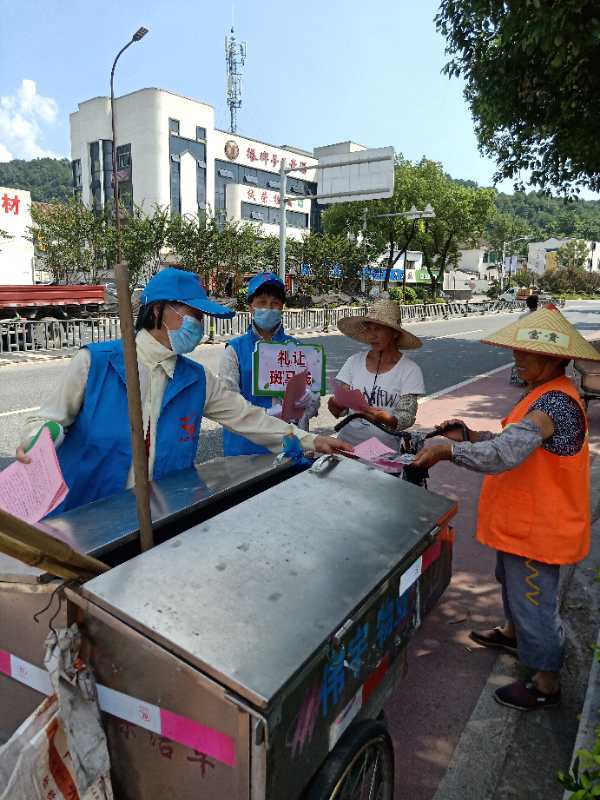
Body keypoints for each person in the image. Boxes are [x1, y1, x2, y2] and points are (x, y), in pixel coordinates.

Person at [16, 268, 349, 514]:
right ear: (160, 310)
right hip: (86, 518)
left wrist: (312, 440)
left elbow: (250, 419)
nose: (199, 326)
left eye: (202, 318)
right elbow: (47, 421)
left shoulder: (197, 379)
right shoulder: (95, 363)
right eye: (193, 315)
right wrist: (43, 434)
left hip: (161, 517)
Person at [411, 304, 600, 711]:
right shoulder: (541, 394)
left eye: (526, 354)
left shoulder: (556, 405)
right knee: (511, 583)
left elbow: (504, 455)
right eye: (516, 351)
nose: (517, 360)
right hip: (520, 522)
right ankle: (514, 632)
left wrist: (449, 450)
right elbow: (508, 442)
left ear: (555, 358)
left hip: (540, 528)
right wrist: (471, 434)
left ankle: (546, 683)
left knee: (534, 601)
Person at [218, 272, 319, 456]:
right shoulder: (234, 349)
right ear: (251, 307)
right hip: (245, 452)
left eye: (274, 303)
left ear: (282, 307)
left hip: (292, 448)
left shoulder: (298, 349)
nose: (268, 308)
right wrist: (265, 416)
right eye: (262, 302)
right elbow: (226, 403)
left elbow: (313, 399)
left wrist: (307, 401)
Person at [328, 299, 425, 449]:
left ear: (394, 333)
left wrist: (388, 419)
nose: (372, 336)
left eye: (378, 329)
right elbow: (339, 411)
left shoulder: (410, 370)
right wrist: (335, 403)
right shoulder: (353, 362)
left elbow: (407, 416)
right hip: (346, 445)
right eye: (369, 329)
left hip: (383, 451)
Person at [510, 294, 539, 385]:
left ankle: (524, 379)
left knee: (524, 362)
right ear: (537, 304)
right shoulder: (541, 316)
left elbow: (518, 331)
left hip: (525, 342)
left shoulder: (522, 317)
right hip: (537, 342)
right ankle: (534, 379)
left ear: (527, 305)